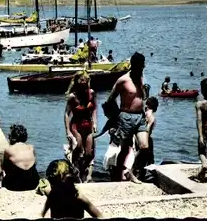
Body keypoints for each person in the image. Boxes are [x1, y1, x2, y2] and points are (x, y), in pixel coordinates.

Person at [105, 52, 149, 183]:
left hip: (140, 116)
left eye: (142, 67)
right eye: (139, 67)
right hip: (126, 116)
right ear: (133, 66)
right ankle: (118, 176)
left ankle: (131, 171)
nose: (141, 69)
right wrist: (115, 117)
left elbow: (143, 97)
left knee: (145, 147)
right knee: (124, 150)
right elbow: (110, 99)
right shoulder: (123, 80)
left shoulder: (141, 78)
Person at [64, 72, 97, 182]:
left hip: (88, 125)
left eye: (86, 81)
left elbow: (94, 109)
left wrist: (95, 123)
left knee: (88, 153)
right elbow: (66, 114)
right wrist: (68, 131)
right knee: (78, 147)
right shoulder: (72, 97)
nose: (84, 83)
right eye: (81, 81)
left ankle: (84, 172)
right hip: (76, 125)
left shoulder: (91, 93)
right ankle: (74, 170)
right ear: (77, 82)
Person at [2, 124, 39, 191]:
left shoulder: (8, 150)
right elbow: (35, 164)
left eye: (9, 135)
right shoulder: (31, 147)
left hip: (15, 185)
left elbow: (4, 167)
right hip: (33, 183)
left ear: (12, 137)